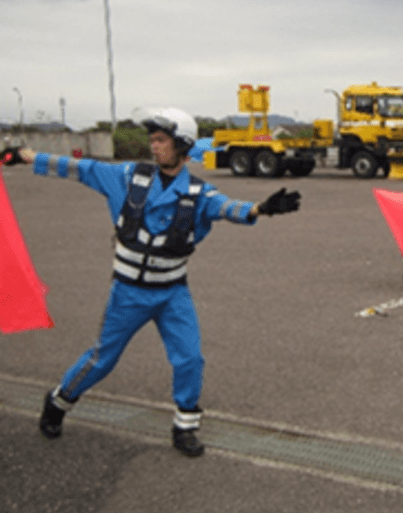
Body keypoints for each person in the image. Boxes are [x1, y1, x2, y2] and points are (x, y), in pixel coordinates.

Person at [3, 107, 301, 457]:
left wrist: (259, 209)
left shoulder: (198, 192)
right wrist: (25, 156)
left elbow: (225, 207)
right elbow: (78, 168)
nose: (153, 146)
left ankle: (185, 427)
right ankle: (59, 401)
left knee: (189, 359)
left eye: (161, 140)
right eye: (153, 139)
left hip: (173, 294)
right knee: (102, 359)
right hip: (128, 294)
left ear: (183, 145)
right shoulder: (127, 177)